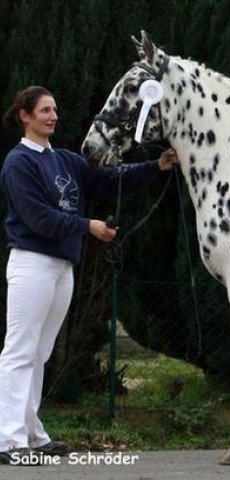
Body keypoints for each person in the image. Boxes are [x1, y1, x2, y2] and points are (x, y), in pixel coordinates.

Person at [0, 86, 178, 465]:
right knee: (19, 352)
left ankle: (32, 435)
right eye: (45, 110)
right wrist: (88, 226)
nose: (53, 116)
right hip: (31, 262)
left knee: (40, 352)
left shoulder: (65, 160)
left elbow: (108, 179)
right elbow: (39, 219)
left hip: (62, 266)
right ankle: (8, 441)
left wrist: (156, 166)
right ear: (25, 116)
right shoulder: (18, 163)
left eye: (55, 109)